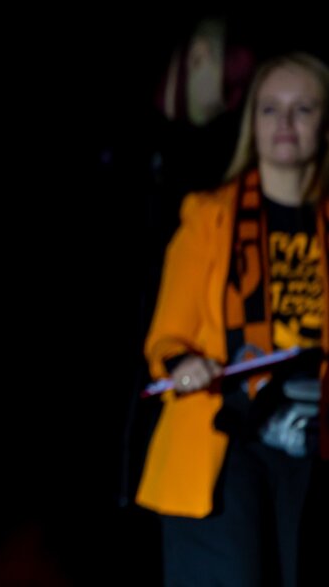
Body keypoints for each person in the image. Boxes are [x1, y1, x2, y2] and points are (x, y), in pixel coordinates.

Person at [136, 51, 329, 587]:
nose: (284, 123)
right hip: (225, 447)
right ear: (252, 122)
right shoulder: (208, 216)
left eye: (303, 109)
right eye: (269, 109)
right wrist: (185, 363)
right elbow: (167, 337)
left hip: (313, 450)